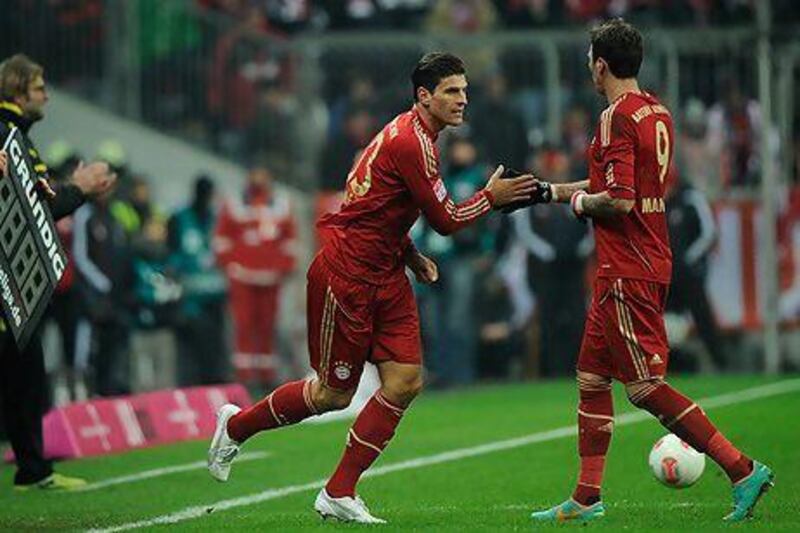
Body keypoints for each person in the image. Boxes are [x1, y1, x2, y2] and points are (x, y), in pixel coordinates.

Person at [207, 52, 536, 523]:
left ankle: (339, 491)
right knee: (332, 396)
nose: (463, 100)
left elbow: (375, 205)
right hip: (348, 277)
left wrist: (407, 254)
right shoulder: (411, 143)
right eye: (451, 91)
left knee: (405, 381)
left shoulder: (413, 135)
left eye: (464, 90)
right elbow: (444, 221)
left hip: (387, 274)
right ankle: (235, 425)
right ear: (424, 96)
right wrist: (491, 197)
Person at [525, 20, 773, 523]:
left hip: (629, 266)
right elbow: (609, 181)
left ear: (600, 64)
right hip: (637, 259)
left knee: (643, 388)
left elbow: (616, 200)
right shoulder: (655, 110)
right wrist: (550, 191)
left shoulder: (614, 117)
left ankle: (742, 469)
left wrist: (574, 206)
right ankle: (586, 498)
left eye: (589, 61)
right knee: (592, 377)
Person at [0, 53, 115, 490]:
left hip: (14, 288)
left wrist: (77, 190)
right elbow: (42, 208)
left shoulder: (17, 137)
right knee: (22, 377)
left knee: (26, 376)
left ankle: (34, 469)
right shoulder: (7, 135)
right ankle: (33, 468)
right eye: (39, 86)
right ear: (17, 89)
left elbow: (39, 204)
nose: (47, 93)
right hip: (7, 287)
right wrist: (80, 189)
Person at [213, 164, 297, 391]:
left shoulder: (281, 204)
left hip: (271, 277)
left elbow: (289, 239)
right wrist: (230, 264)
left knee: (267, 326)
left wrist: (286, 266)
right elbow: (222, 238)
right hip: (242, 275)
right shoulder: (234, 204)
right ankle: (245, 375)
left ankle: (267, 374)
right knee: (244, 325)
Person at [168, 175, 229, 386]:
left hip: (215, 299)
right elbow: (172, 255)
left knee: (214, 353)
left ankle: (214, 390)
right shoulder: (179, 219)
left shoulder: (217, 219)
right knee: (191, 355)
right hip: (190, 301)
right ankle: (192, 392)